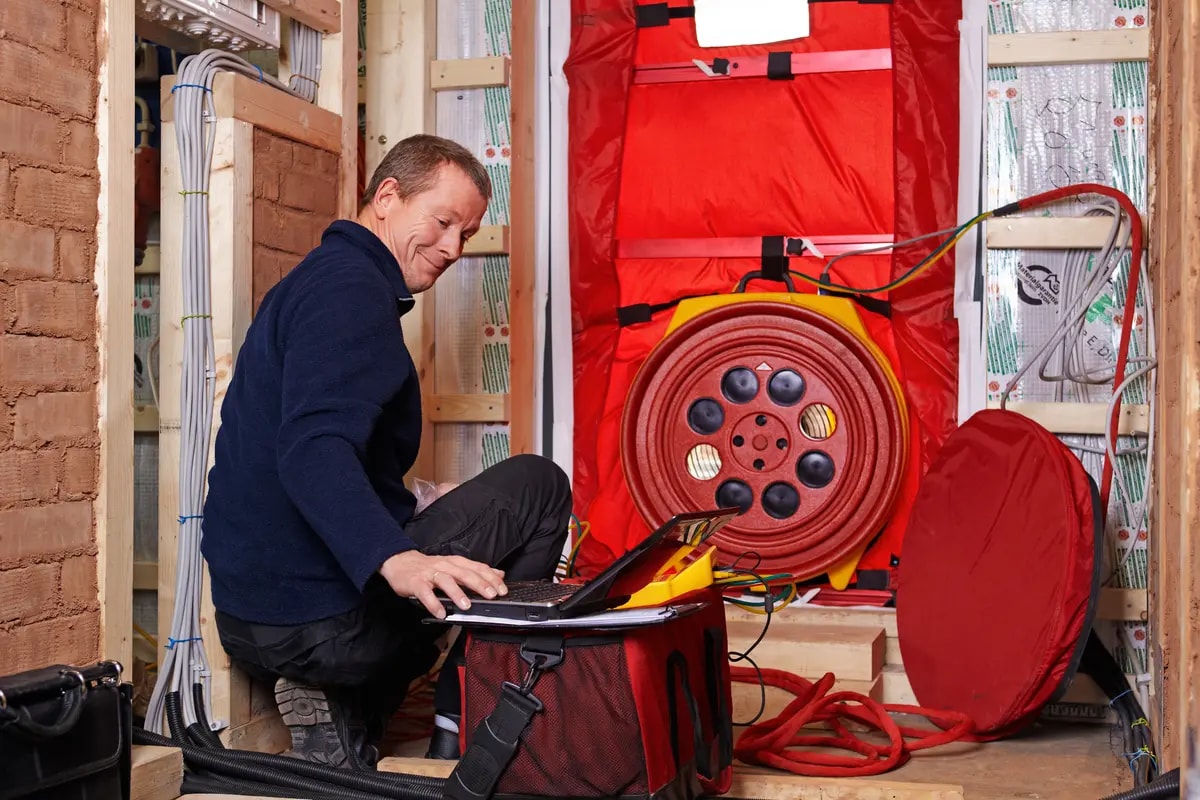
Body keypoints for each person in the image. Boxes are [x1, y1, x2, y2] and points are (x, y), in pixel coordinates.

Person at [199, 134, 573, 770]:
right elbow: (314, 448)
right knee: (539, 484)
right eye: (444, 221)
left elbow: (326, 449)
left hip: (251, 620)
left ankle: (350, 708)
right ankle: (468, 709)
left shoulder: (320, 283)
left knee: (446, 518)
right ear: (388, 197)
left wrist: (423, 504)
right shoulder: (351, 295)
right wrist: (398, 558)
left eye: (468, 233)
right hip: (323, 626)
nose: (454, 248)